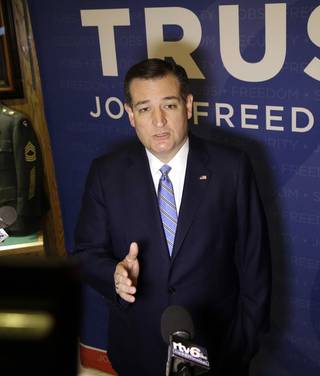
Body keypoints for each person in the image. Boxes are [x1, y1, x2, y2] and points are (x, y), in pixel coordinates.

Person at [73, 58, 271, 375]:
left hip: (218, 349)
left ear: (188, 105)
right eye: (144, 109)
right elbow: (85, 253)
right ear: (130, 116)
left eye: (169, 105)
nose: (159, 121)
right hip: (138, 350)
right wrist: (115, 276)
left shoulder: (231, 168)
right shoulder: (105, 173)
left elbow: (254, 260)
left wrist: (243, 342)